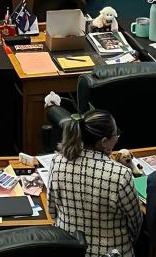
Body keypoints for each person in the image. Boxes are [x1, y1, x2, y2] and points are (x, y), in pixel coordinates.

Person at [48, 109, 141, 257]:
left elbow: (52, 211)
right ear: (104, 142)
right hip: (112, 252)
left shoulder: (57, 162)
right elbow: (135, 224)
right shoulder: (120, 174)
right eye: (116, 133)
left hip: (69, 249)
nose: (117, 136)